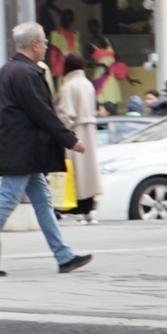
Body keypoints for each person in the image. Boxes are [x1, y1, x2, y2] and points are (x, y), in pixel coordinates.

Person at [0, 22, 93, 273]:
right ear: (34, 44)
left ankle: (64, 256)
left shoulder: (8, 70)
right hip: (21, 150)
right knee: (6, 201)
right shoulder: (25, 74)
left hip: (23, 150)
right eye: (44, 42)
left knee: (43, 201)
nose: (46, 46)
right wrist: (70, 140)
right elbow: (43, 113)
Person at [55, 58, 103, 224]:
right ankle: (90, 209)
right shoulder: (87, 84)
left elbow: (65, 114)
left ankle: (79, 210)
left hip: (75, 131)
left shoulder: (69, 86)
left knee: (77, 173)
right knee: (89, 171)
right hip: (89, 130)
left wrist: (60, 132)